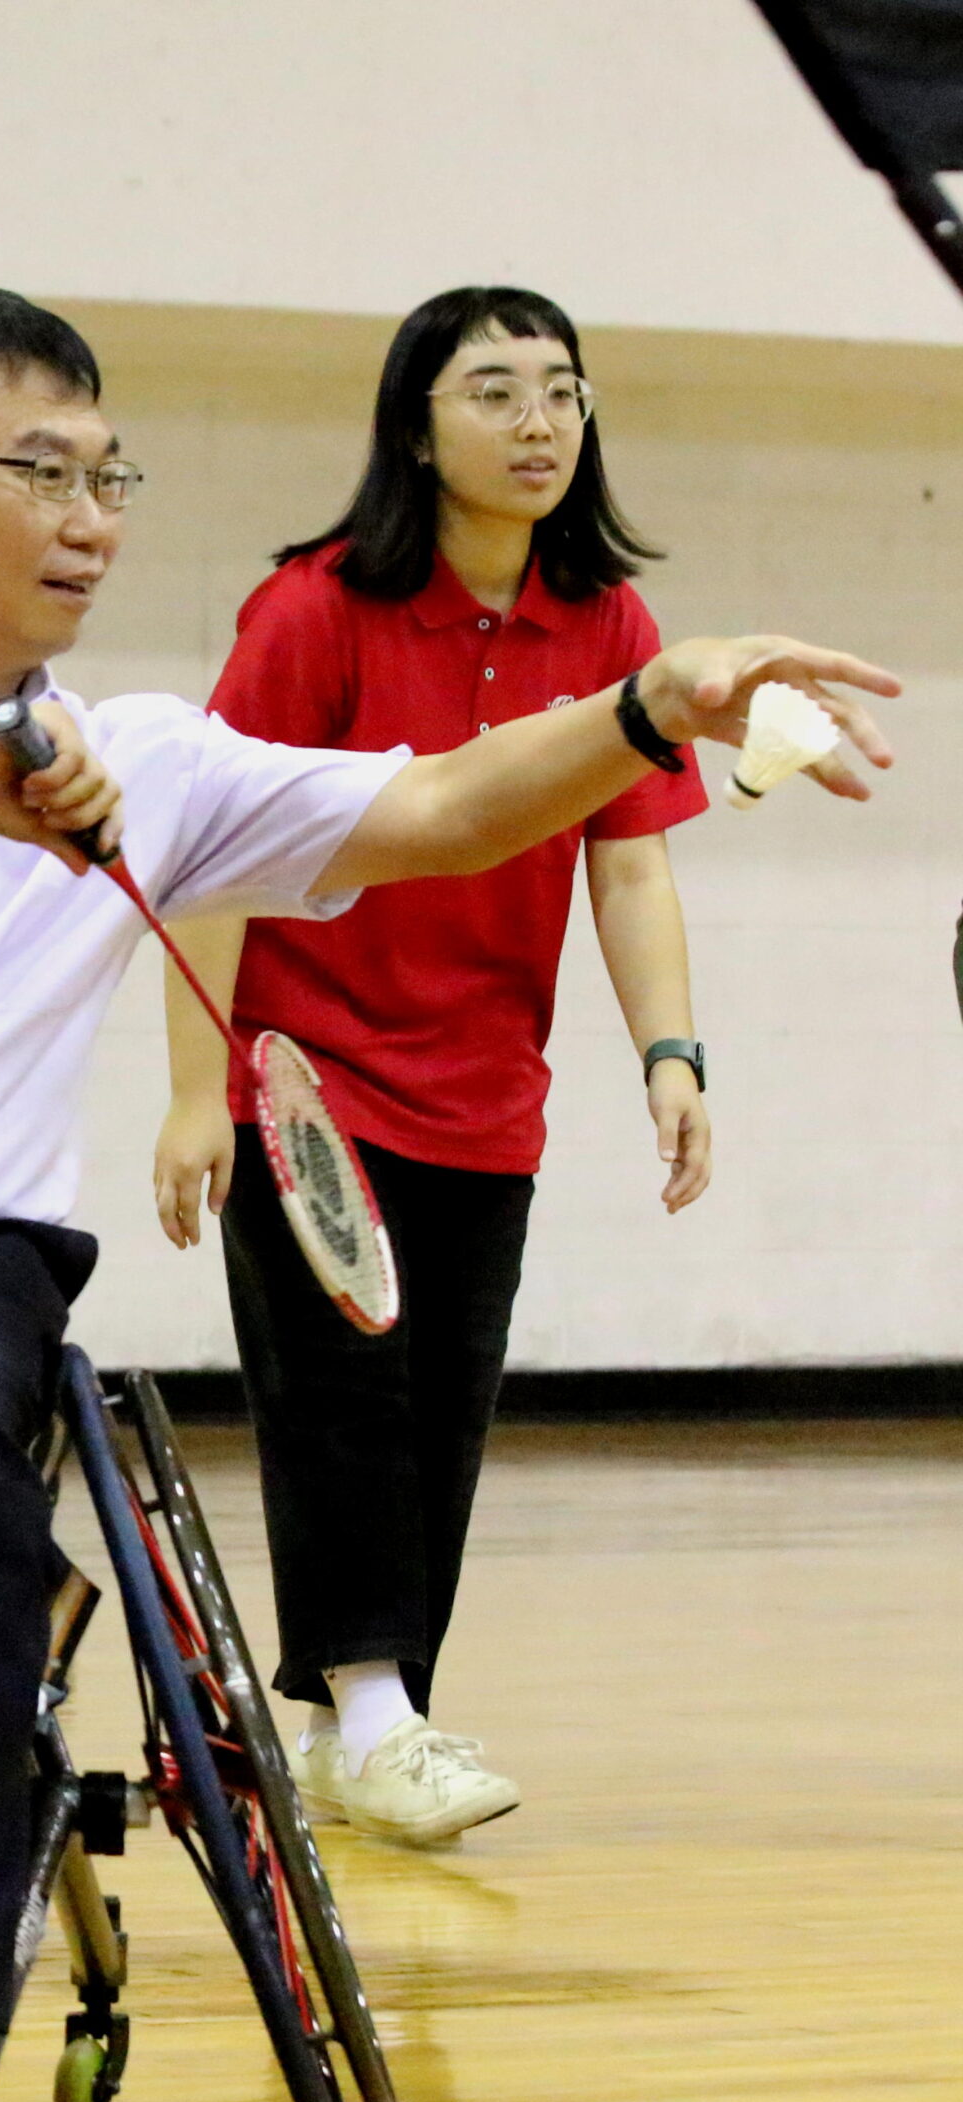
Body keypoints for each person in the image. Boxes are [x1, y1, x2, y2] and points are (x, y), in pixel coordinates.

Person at [0, 289, 893, 2102]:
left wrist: (648, 706)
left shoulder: (144, 752)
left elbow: (435, 806)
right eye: (42, 473)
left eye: (108, 477)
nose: (93, 517)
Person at [148, 286, 760, 1849]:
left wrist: (671, 1055)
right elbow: (211, 857)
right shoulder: (314, 610)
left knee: (434, 1415)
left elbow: (629, 866)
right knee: (340, 1401)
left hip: (489, 1084)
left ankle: (350, 1720)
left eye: (562, 389)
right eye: (495, 391)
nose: (539, 421)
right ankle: (378, 1716)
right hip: (308, 1081)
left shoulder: (610, 628)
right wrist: (189, 1093)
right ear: (416, 426)